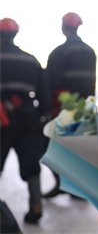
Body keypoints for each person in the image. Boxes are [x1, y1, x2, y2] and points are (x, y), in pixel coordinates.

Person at [0, 17, 49, 224]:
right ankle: (36, 205)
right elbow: (44, 93)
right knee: (31, 162)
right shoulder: (31, 60)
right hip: (28, 115)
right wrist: (41, 116)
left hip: (2, 116)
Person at [43, 12, 96, 199]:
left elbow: (50, 82)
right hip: (83, 109)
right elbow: (91, 82)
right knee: (78, 150)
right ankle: (76, 189)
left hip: (61, 109)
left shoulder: (59, 52)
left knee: (50, 145)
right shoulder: (90, 52)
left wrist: (46, 107)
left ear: (64, 27)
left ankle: (62, 184)